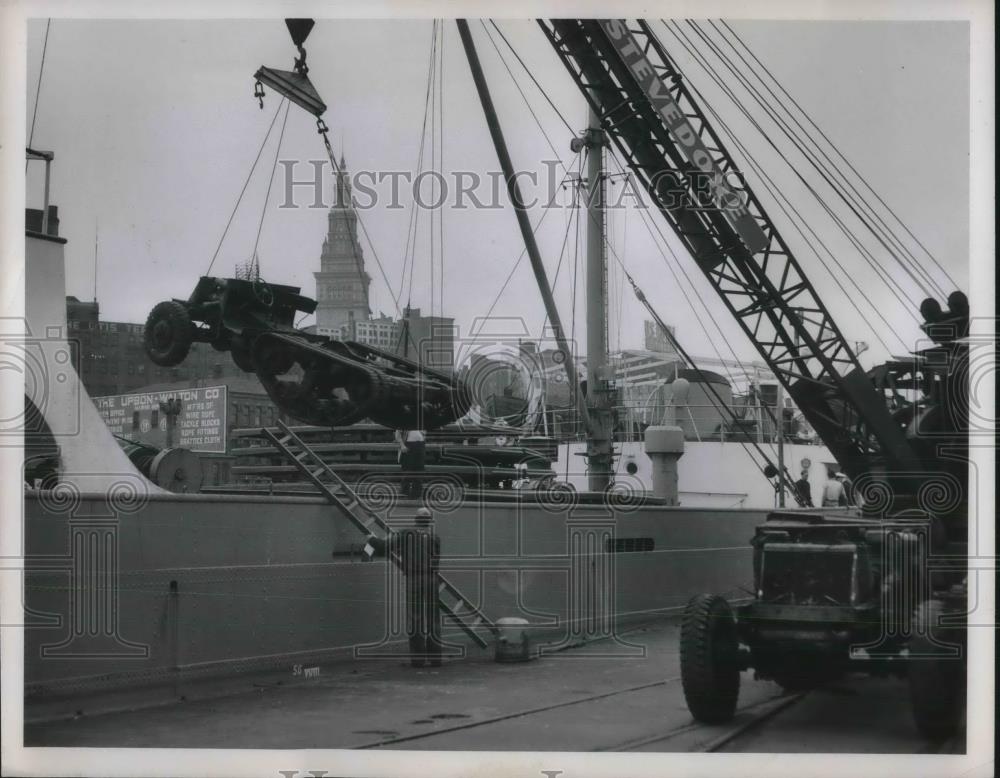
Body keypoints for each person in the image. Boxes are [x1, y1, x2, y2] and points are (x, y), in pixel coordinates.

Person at [367, 507, 442, 667]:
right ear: (429, 521)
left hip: (414, 579)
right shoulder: (435, 537)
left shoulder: (406, 533)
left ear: (416, 520)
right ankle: (436, 658)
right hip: (432, 579)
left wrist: (371, 539)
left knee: (415, 619)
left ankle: (418, 660)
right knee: (433, 619)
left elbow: (384, 547)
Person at [395, 429, 426, 500]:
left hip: (420, 444)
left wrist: (423, 436)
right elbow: (397, 434)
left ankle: (416, 494)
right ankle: (404, 493)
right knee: (407, 470)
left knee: (419, 470)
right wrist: (402, 445)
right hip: (408, 444)